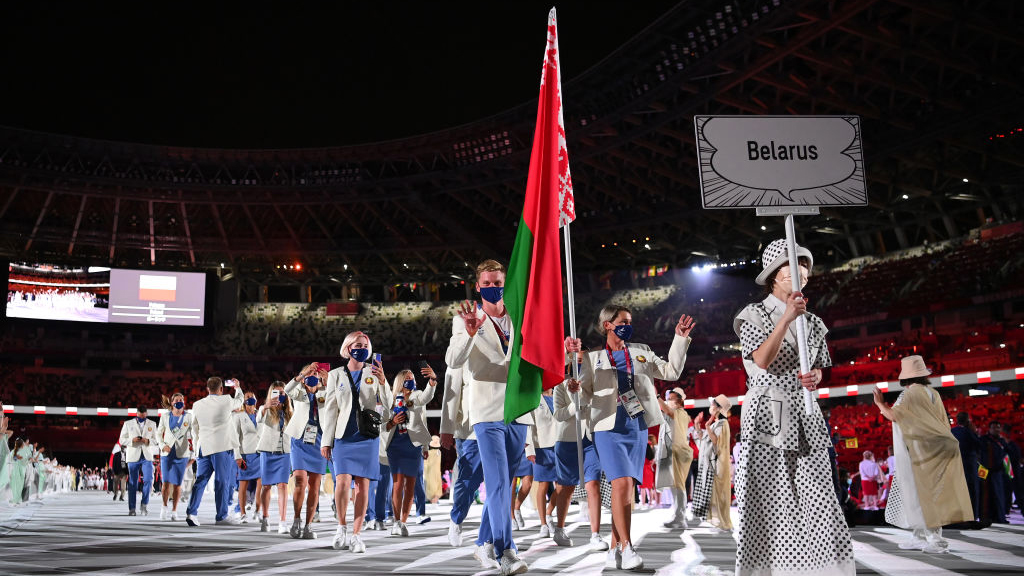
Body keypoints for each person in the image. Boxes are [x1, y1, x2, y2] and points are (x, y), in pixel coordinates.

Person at [732, 238, 854, 576]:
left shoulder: (814, 323)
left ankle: (822, 567)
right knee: (770, 493)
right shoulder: (753, 314)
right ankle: (768, 568)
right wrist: (785, 319)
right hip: (767, 411)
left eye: (804, 266)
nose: (800, 271)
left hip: (806, 411)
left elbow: (818, 366)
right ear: (774, 275)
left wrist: (815, 375)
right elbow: (762, 360)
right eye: (792, 265)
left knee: (817, 492)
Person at [566, 305, 695, 571]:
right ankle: (627, 547)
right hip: (607, 428)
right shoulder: (592, 358)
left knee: (624, 490)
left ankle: (614, 547)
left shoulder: (642, 352)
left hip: (637, 427)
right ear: (607, 325)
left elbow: (671, 372)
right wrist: (574, 389)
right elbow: (584, 396)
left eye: (630, 321)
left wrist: (680, 339)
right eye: (623, 321)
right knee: (622, 484)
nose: (628, 325)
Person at [445, 259, 532, 575]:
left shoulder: (519, 317)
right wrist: (469, 333)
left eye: (499, 282)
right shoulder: (469, 318)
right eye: (488, 283)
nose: (494, 288)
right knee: (496, 482)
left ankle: (484, 543)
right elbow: (453, 360)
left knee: (505, 483)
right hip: (485, 411)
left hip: (518, 410)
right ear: (478, 286)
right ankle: (507, 551)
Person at [872, 355, 973, 553]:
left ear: (905, 377)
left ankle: (935, 540)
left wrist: (879, 403)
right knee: (929, 494)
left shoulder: (908, 394)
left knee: (922, 495)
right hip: (939, 447)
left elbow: (893, 415)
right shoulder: (933, 392)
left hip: (920, 453)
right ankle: (919, 536)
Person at [321, 332, 387, 553]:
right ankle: (341, 527)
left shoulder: (373, 372)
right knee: (341, 483)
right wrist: (326, 441)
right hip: (343, 437)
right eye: (358, 344)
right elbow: (330, 410)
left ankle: (357, 535)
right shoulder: (335, 375)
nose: (362, 348)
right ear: (348, 347)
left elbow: (385, 408)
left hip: (366, 437)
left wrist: (384, 382)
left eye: (366, 345)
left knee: (362, 487)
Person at [552, 361, 608, 551]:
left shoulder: (596, 386)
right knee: (566, 488)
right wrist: (574, 404)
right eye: (577, 363)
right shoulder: (560, 386)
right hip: (567, 440)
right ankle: (559, 529)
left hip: (591, 440)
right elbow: (558, 415)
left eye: (584, 364)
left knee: (594, 484)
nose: (581, 366)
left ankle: (595, 534)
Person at [381, 365, 437, 537]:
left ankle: (404, 522)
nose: (411, 381)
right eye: (408, 379)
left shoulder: (417, 396)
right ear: (400, 381)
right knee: (397, 485)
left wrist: (433, 381)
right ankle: (396, 521)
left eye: (413, 378)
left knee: (411, 486)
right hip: (395, 444)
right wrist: (392, 422)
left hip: (413, 445)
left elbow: (427, 398)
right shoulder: (390, 399)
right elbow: (381, 425)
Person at [184, 377, 244, 526]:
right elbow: (240, 400)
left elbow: (194, 428)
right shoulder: (226, 400)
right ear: (221, 389)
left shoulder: (197, 405)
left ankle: (192, 513)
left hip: (204, 447)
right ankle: (222, 516)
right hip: (222, 447)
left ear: (207, 389)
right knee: (222, 482)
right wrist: (237, 387)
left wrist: (197, 448)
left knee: (201, 480)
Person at [439, 366, 485, 547]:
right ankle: (456, 519)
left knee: (498, 481)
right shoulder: (460, 353)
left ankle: (494, 535)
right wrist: (446, 428)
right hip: (469, 431)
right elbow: (450, 394)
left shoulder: (502, 346)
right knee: (467, 481)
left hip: (499, 425)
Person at [284, 363, 330, 539]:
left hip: (319, 442)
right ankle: (296, 519)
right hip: (300, 441)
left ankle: (308, 525)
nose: (313, 382)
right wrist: (301, 375)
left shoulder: (325, 393)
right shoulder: (299, 393)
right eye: (310, 379)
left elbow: (340, 399)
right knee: (300, 482)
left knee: (314, 487)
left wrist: (327, 382)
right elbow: (288, 389)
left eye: (316, 379)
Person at [525, 387, 571, 545]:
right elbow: (528, 425)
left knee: (562, 485)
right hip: (541, 447)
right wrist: (529, 449)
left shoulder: (560, 394)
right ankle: (543, 523)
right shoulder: (534, 398)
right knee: (543, 484)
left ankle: (549, 512)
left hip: (560, 443)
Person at [691, 395, 733, 531]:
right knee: (714, 494)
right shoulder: (716, 424)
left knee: (720, 494)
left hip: (717, 464)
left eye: (713, 405)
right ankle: (717, 521)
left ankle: (723, 521)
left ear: (719, 408)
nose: (711, 407)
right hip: (710, 464)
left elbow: (716, 442)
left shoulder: (722, 423)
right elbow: (703, 442)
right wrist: (698, 425)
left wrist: (707, 425)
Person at [257, 382, 293, 534]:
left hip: (284, 452)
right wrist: (266, 406)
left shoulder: (290, 411)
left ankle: (282, 521)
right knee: (266, 486)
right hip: (268, 451)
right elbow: (259, 419)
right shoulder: (264, 409)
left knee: (283, 486)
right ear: (271, 394)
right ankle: (265, 517)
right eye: (276, 392)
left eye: (282, 392)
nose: (279, 396)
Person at [656, 387, 693, 529]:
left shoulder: (680, 413)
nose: (668, 401)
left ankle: (680, 518)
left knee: (678, 486)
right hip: (674, 452)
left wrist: (657, 396)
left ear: (679, 402)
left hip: (678, 452)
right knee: (675, 485)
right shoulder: (675, 413)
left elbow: (668, 411)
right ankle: (678, 515)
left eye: (671, 399)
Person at [157, 393, 195, 521]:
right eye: (177, 400)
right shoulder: (165, 416)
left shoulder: (188, 417)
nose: (180, 402)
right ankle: (164, 507)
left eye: (182, 400)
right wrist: (162, 445)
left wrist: (194, 451)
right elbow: (158, 434)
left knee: (178, 484)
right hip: (167, 453)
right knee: (166, 483)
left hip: (182, 453)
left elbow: (194, 434)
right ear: (172, 403)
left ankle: (174, 511)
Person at [118, 407, 159, 516]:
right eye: (140, 415)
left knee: (149, 480)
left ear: (146, 414)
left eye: (143, 415)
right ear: (137, 414)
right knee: (133, 483)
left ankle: (144, 505)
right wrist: (132, 440)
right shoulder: (128, 423)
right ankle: (132, 508)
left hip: (147, 456)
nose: (142, 417)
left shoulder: (152, 424)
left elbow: (157, 440)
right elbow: (121, 439)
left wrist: (148, 441)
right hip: (133, 456)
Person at [234, 390, 263, 523]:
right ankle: (242, 513)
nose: (250, 398)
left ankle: (258, 511)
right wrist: (237, 456)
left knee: (260, 485)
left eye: (252, 396)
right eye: (247, 397)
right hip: (245, 454)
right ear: (243, 401)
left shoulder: (260, 414)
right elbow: (235, 438)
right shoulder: (238, 416)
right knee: (243, 485)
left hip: (260, 454)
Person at [950, 412, 981, 521]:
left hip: (955, 465)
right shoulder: (969, 432)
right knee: (972, 490)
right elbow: (979, 446)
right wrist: (975, 432)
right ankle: (972, 516)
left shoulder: (952, 431)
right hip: (969, 466)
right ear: (968, 420)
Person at [979, 420, 1009, 525]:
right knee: (985, 494)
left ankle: (999, 517)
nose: (996, 429)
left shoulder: (1002, 441)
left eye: (998, 427)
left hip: (998, 472)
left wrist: (1008, 473)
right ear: (989, 429)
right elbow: (979, 457)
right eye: (994, 427)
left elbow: (1007, 457)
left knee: (998, 494)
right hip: (984, 471)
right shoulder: (983, 440)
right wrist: (981, 474)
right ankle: (985, 517)